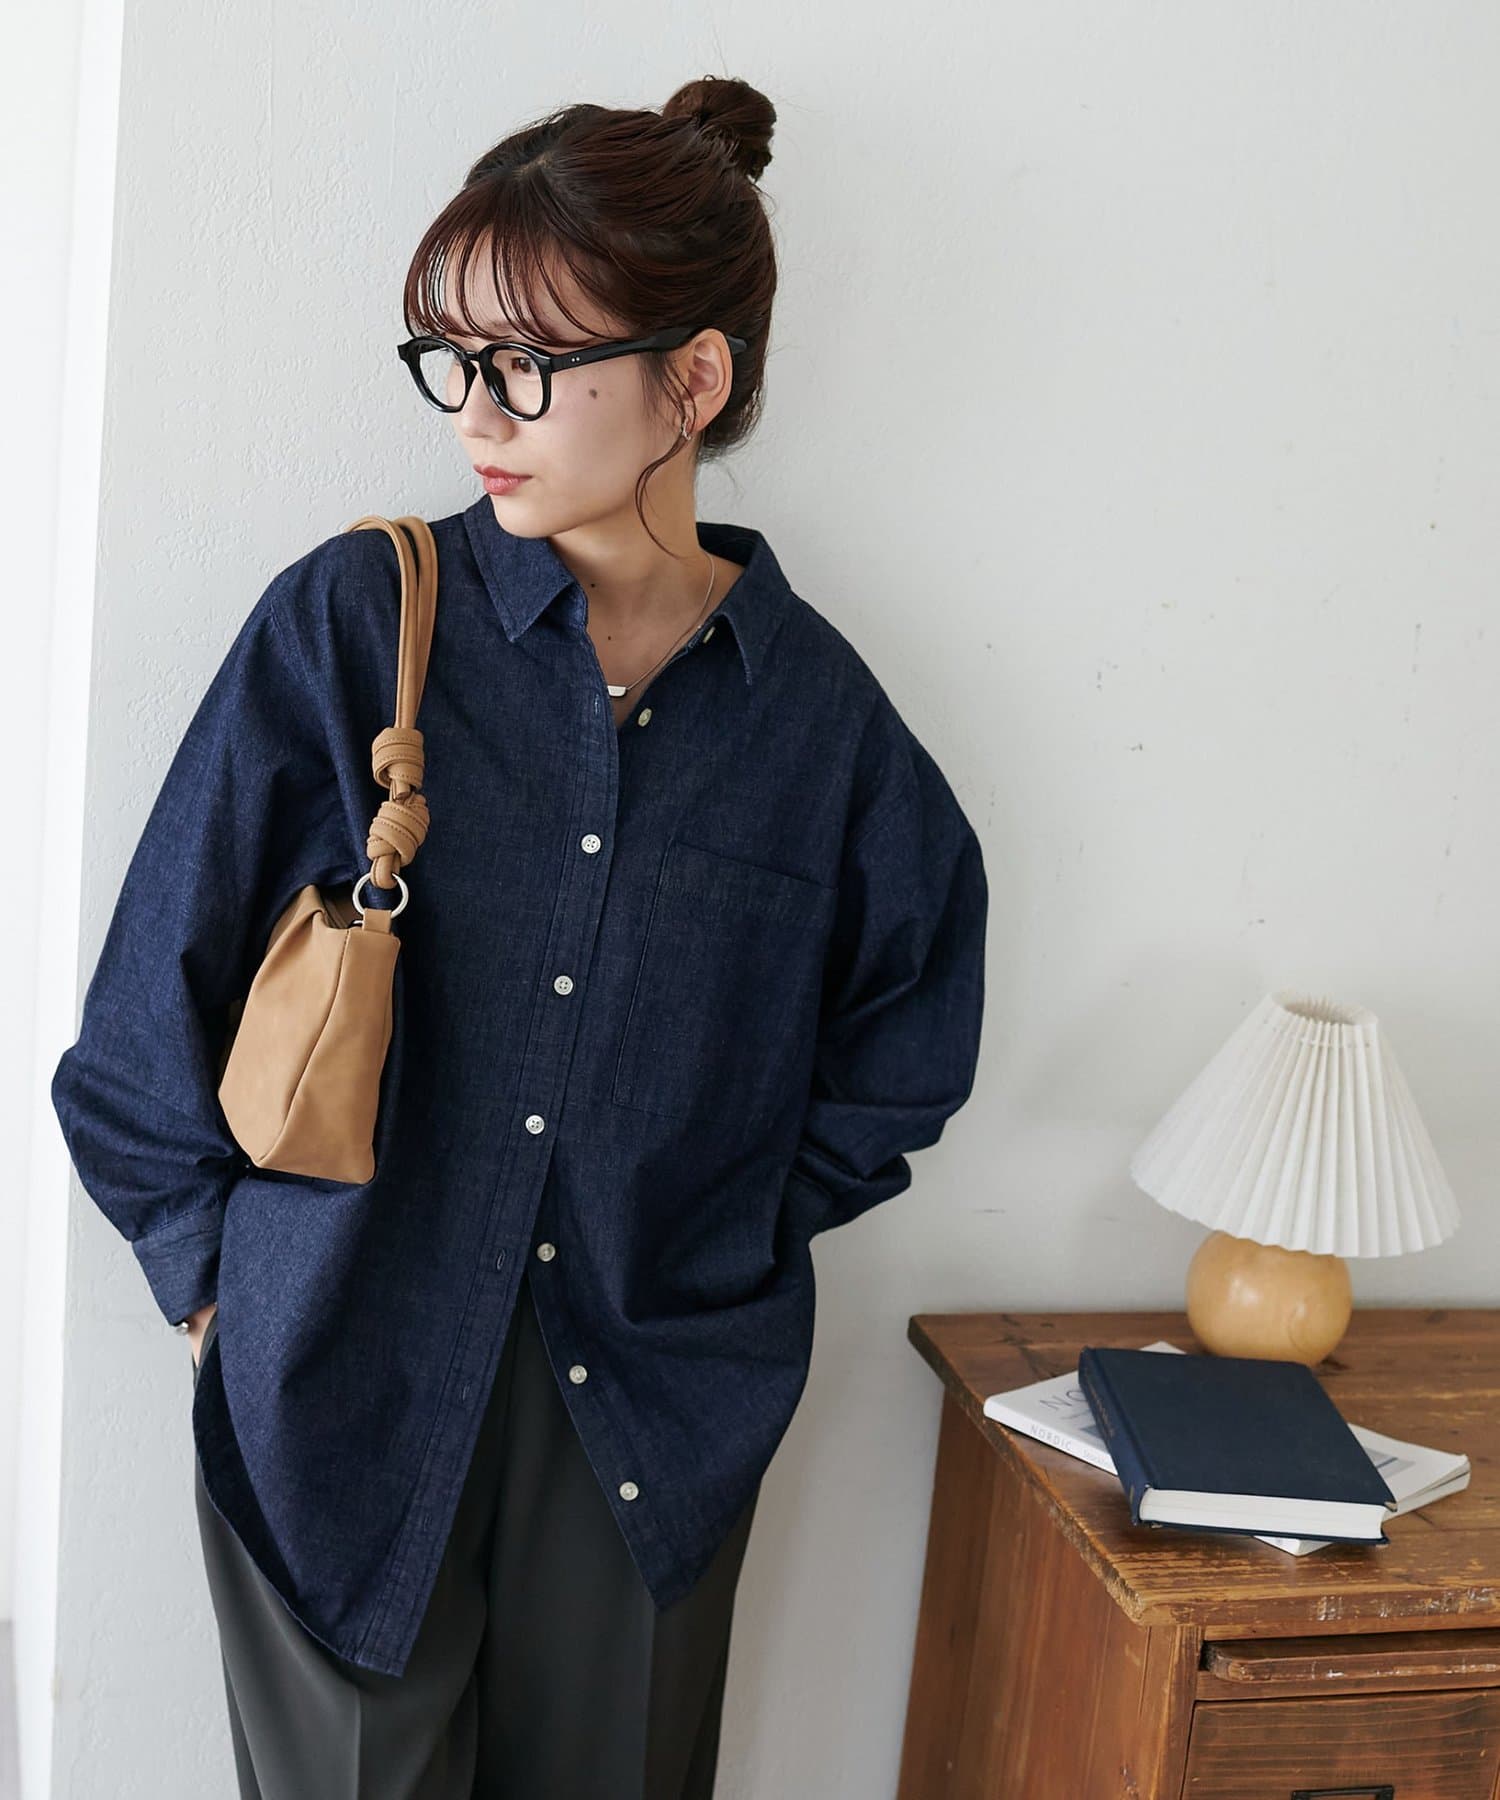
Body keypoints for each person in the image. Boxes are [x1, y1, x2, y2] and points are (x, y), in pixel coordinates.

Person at [52, 74, 989, 1799]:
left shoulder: (818, 725)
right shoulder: (351, 626)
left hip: (645, 1423)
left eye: (530, 365)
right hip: (338, 1385)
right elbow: (143, 1020)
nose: (477, 412)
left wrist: (717, 1246)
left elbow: (907, 1039)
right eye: (454, 358)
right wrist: (222, 1294)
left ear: (691, 381)